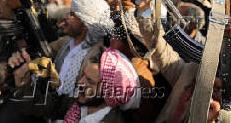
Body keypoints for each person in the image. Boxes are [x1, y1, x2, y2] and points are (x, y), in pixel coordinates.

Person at [9, 47, 140, 122]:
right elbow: (32, 107)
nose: (80, 82)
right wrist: (22, 78)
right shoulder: (74, 104)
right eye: (83, 75)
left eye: (90, 81)